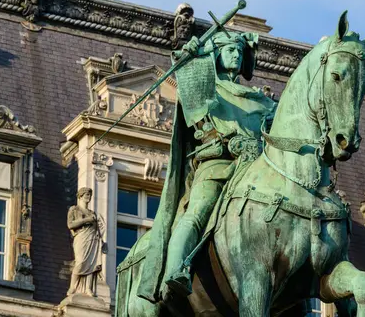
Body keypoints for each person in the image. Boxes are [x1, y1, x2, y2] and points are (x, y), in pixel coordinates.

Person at [136, 31, 277, 302]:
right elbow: (190, 83)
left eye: (239, 50)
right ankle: (175, 271)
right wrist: (190, 58)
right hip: (216, 166)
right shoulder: (208, 88)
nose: (236, 54)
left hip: (255, 172)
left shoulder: (259, 100)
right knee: (198, 213)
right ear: (217, 55)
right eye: (229, 50)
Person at [67, 187, 105, 297]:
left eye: (89, 195)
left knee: (92, 264)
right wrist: (86, 220)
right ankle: (73, 287)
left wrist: (102, 242)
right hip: (81, 237)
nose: (88, 197)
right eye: (86, 194)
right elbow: (70, 224)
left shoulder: (92, 213)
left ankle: (88, 288)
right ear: (80, 196)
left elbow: (98, 229)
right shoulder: (74, 209)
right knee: (81, 262)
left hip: (93, 239)